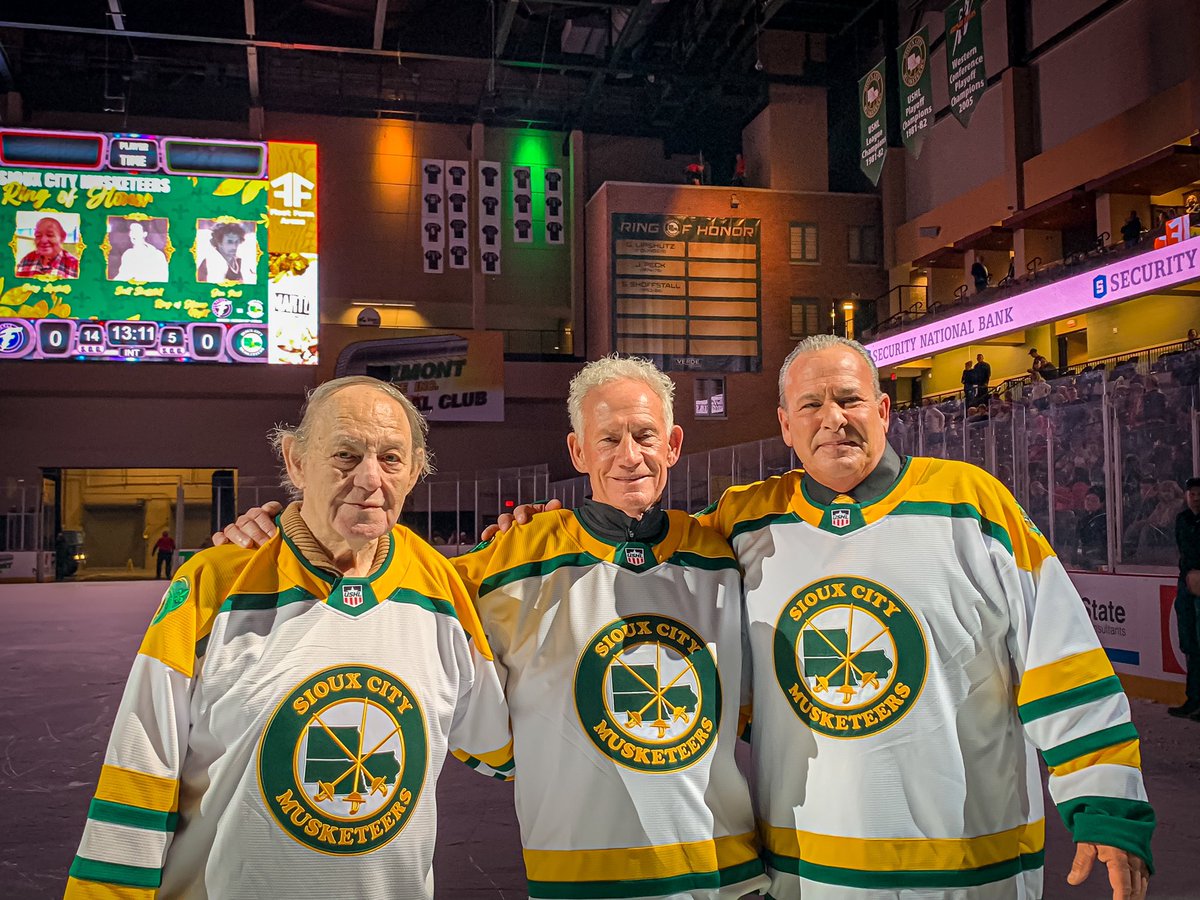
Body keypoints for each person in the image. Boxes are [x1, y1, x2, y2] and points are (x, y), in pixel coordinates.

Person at [491, 336, 1155, 900]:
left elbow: (1060, 659)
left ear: (885, 411)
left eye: (849, 400)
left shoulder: (971, 505)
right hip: (810, 877)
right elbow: (644, 554)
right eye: (811, 405)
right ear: (785, 426)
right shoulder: (745, 522)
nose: (832, 418)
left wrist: (1103, 800)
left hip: (972, 870)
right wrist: (558, 530)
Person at [214, 358, 768, 900]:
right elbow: (374, 585)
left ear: (672, 445)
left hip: (729, 876)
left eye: (645, 436)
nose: (630, 456)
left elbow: (755, 701)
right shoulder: (510, 558)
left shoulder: (724, 555)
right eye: (608, 440)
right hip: (584, 881)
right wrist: (286, 533)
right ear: (577, 451)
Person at [66, 377, 510, 899]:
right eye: (346, 454)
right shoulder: (218, 582)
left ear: (414, 472)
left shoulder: (440, 588)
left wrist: (559, 555)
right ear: (296, 461)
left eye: (391, 459)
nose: (370, 479)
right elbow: (140, 763)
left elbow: (503, 744)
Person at [1171, 476, 1200, 719]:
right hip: (1187, 584)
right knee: (1190, 643)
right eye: (1192, 493)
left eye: (1199, 493)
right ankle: (1193, 698)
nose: (1195, 498)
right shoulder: (1183, 519)